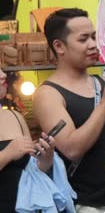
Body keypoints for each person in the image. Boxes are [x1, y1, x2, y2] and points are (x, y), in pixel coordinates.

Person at [33, 8, 105, 212]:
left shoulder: (102, 83)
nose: (93, 45)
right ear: (59, 46)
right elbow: (72, 148)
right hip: (84, 204)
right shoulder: (48, 94)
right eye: (83, 40)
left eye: (93, 37)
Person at [0, 67, 57, 211]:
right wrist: (7, 154)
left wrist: (45, 159)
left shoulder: (16, 117)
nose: (3, 75)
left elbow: (31, 171)